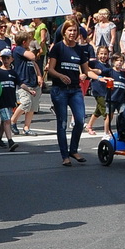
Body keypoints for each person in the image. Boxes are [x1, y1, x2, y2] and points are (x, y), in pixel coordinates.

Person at [46, 20, 88, 165]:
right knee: (62, 123)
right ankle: (65, 156)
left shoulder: (80, 50)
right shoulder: (58, 48)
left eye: (75, 31)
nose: (72, 33)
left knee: (80, 120)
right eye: (70, 30)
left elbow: (86, 71)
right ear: (64, 32)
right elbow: (50, 69)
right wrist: (60, 76)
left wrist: (97, 76)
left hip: (75, 90)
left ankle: (73, 149)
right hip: (60, 90)